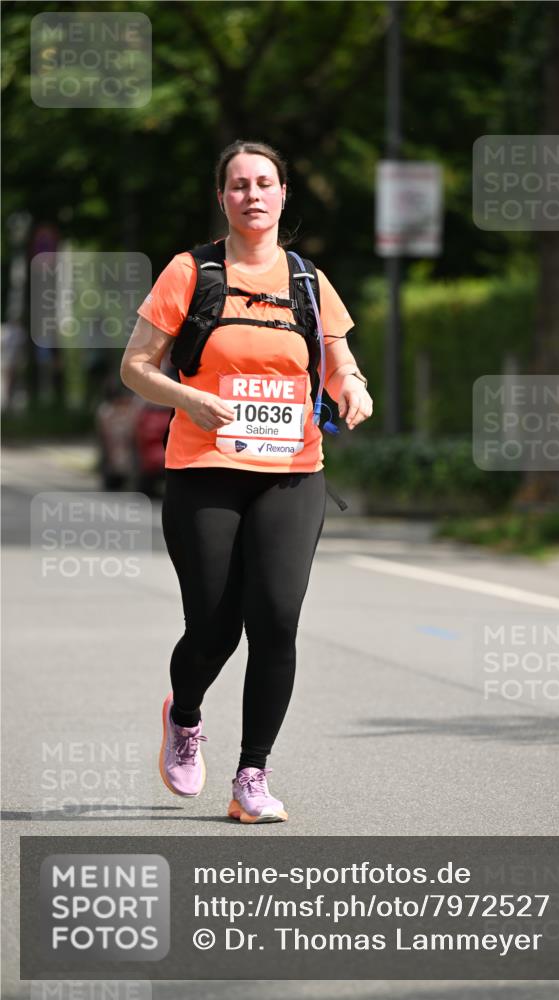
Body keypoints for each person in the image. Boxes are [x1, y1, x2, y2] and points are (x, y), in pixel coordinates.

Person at [120, 139, 373, 823]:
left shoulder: (306, 280)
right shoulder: (190, 271)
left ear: (283, 194)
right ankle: (186, 716)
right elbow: (135, 365)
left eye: (264, 183)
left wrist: (352, 388)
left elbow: (337, 362)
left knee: (276, 622)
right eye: (238, 185)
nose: (252, 194)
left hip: (291, 473)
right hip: (204, 469)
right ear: (223, 197)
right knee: (213, 629)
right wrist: (187, 399)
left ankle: (251, 776)